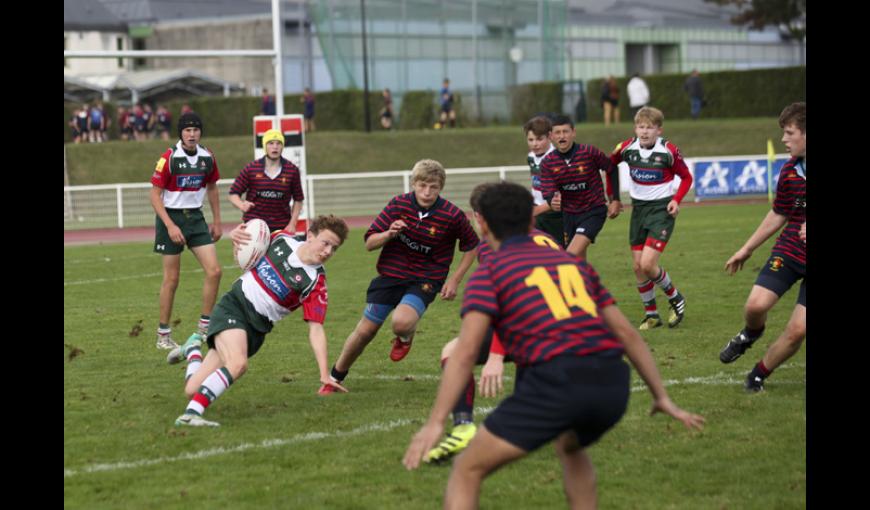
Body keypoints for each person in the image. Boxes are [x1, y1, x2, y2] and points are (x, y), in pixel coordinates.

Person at [403, 182, 705, 509]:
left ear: (483, 223)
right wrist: (662, 397)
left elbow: (463, 354)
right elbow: (628, 335)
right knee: (571, 446)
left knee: (466, 469)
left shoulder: (490, 271)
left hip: (556, 384)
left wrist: (435, 423)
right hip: (612, 385)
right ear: (531, 222)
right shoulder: (574, 265)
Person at [425, 182, 563, 463]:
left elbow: (508, 307)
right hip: (570, 329)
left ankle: (463, 427)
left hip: (534, 329)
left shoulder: (493, 247)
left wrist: (496, 356)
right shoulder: (546, 238)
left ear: (480, 217)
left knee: (454, 351)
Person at [172, 215, 350, 427]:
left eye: (334, 248)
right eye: (326, 243)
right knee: (237, 364)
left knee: (192, 389)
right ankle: (191, 415)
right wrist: (236, 235)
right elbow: (250, 243)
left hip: (257, 330)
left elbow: (316, 328)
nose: (328, 251)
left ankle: (193, 349)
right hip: (235, 306)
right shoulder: (281, 240)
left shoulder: (315, 283)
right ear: (310, 236)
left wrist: (324, 374)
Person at [319, 159, 480, 394]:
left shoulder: (451, 215)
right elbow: (369, 243)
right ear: (413, 183)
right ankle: (334, 378)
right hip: (391, 274)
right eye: (422, 185)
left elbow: (472, 245)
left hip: (426, 278)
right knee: (365, 331)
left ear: (441, 187)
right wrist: (389, 233)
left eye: (433, 187)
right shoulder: (398, 204)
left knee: (401, 322)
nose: (427, 192)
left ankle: (405, 335)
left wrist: (454, 279)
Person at [719, 102, 806, 393]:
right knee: (755, 306)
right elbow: (779, 213)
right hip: (792, 250)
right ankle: (751, 334)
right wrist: (747, 249)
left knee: (797, 331)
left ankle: (757, 374)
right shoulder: (791, 170)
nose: (784, 139)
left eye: (789, 132)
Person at [610, 106, 693, 330]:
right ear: (635, 128)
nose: (644, 131)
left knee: (648, 264)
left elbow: (686, 177)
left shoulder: (668, 151)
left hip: (661, 211)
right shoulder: (627, 148)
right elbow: (610, 167)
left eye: (649, 127)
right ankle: (652, 315)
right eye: (640, 127)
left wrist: (676, 199)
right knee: (638, 267)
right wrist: (614, 198)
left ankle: (675, 298)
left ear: (659, 130)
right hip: (638, 210)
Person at [149, 112, 223, 353]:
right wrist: (170, 225)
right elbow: (154, 195)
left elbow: (212, 188)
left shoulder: (207, 157)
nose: (192, 134)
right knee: (172, 279)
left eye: (196, 130)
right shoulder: (169, 158)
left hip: (196, 218)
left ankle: (203, 329)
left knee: (215, 271)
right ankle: (163, 335)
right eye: (187, 130)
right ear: (181, 133)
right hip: (171, 217)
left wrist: (218, 221)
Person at [540, 115, 622, 260]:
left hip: (593, 211)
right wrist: (552, 199)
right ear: (551, 136)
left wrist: (615, 199)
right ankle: (586, 282)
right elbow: (548, 189)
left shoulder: (589, 152)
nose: (562, 136)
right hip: (569, 215)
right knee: (578, 261)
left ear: (573, 133)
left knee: (569, 256)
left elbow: (611, 168)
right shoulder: (548, 162)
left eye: (565, 131)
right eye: (557, 133)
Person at [228, 129, 304, 233]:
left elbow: (298, 199)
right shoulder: (251, 168)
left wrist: (292, 224)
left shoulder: (292, 170)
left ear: (282, 146)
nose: (275, 147)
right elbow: (233, 194)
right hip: (254, 226)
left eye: (278, 143)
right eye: (271, 143)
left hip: (281, 227)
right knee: (239, 248)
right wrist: (241, 205)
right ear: (265, 146)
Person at [524, 115, 564, 247]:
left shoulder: (557, 159)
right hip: (538, 213)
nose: (535, 144)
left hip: (556, 216)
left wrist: (539, 209)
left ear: (550, 136)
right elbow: (535, 183)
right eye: (531, 139)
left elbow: (563, 193)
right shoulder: (531, 157)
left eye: (539, 139)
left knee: (561, 253)